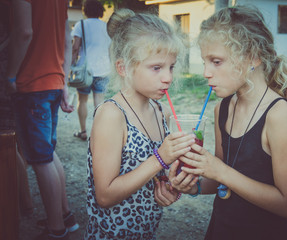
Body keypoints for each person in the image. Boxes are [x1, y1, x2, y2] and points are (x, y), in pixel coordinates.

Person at [169, 5, 287, 240]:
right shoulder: (222, 109)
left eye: (216, 61)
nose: (205, 72)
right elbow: (219, 182)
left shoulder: (279, 116)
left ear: (253, 57)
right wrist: (192, 186)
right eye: (204, 62)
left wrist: (221, 171)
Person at [84, 9, 194, 239]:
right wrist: (160, 158)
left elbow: (150, 175)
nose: (168, 78)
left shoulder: (160, 111)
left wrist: (168, 186)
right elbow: (104, 196)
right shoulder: (112, 115)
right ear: (123, 68)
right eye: (156, 68)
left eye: (171, 67)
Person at [6, 0, 79, 239]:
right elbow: (67, 40)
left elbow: (24, 32)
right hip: (53, 82)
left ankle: (56, 229)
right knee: (48, 154)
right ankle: (65, 217)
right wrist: (63, 81)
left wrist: (10, 75)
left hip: (30, 83)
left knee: (41, 160)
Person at [0, 0, 33, 219]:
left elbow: (24, 31)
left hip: (5, 74)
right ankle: (23, 205)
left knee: (6, 142)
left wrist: (10, 75)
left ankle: (16, 210)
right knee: (8, 142)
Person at [71, 0, 111, 141]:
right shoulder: (106, 27)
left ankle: (83, 132)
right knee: (99, 102)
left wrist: (71, 64)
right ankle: (98, 134)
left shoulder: (80, 25)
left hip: (85, 70)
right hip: (104, 69)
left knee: (82, 101)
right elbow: (110, 49)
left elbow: (75, 48)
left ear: (85, 10)